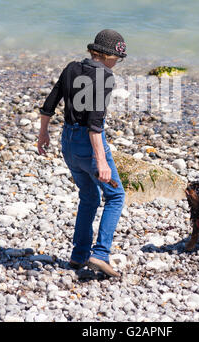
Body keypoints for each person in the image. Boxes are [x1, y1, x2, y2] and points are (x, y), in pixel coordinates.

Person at [37, 29, 127, 278]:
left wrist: (43, 134)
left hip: (68, 141)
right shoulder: (106, 76)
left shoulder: (72, 68)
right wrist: (101, 160)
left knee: (88, 197)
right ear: (108, 55)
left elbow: (49, 104)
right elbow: (95, 124)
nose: (117, 62)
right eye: (118, 57)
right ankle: (100, 254)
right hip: (89, 144)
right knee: (115, 195)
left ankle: (78, 257)